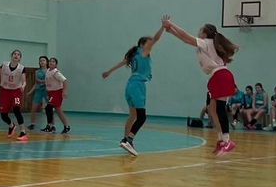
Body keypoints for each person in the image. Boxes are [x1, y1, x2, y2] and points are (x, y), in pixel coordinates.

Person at [161, 17, 238, 156]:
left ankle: (227, 141)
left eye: (201, 29)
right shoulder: (205, 44)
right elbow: (185, 40)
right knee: (211, 109)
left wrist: (171, 24)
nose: (198, 30)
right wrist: (171, 31)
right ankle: (221, 139)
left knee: (220, 109)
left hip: (221, 75)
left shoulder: (207, 42)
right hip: (216, 76)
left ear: (205, 33)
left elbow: (185, 35)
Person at [102, 23, 165, 155]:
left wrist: (109, 71)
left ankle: (126, 140)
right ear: (142, 44)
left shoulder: (134, 54)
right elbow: (156, 38)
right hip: (137, 86)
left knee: (133, 116)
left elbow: (121, 63)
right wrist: (163, 27)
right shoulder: (143, 52)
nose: (151, 45)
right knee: (142, 117)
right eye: (149, 43)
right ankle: (128, 140)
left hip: (129, 86)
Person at [0, 49, 28, 141]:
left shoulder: (21, 68)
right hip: (5, 91)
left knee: (16, 110)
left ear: (20, 58)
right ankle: (11, 125)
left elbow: (24, 81)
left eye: (18, 54)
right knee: (3, 115)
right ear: (11, 56)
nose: (16, 55)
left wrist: (23, 86)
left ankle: (23, 132)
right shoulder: (4, 65)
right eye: (15, 54)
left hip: (16, 91)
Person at [42, 57, 70, 134]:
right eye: (50, 61)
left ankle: (50, 126)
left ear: (56, 64)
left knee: (48, 107)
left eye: (53, 62)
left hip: (57, 93)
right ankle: (66, 126)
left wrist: (64, 92)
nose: (51, 63)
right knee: (58, 110)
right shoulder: (48, 71)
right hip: (51, 93)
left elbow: (64, 81)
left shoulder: (56, 72)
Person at [28, 55, 49, 130]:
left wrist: (43, 81)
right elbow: (36, 82)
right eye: (40, 61)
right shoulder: (37, 71)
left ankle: (51, 125)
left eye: (43, 60)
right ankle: (32, 123)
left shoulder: (50, 71)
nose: (42, 62)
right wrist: (30, 91)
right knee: (33, 107)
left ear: (47, 62)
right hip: (39, 89)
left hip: (47, 90)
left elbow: (49, 81)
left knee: (49, 108)